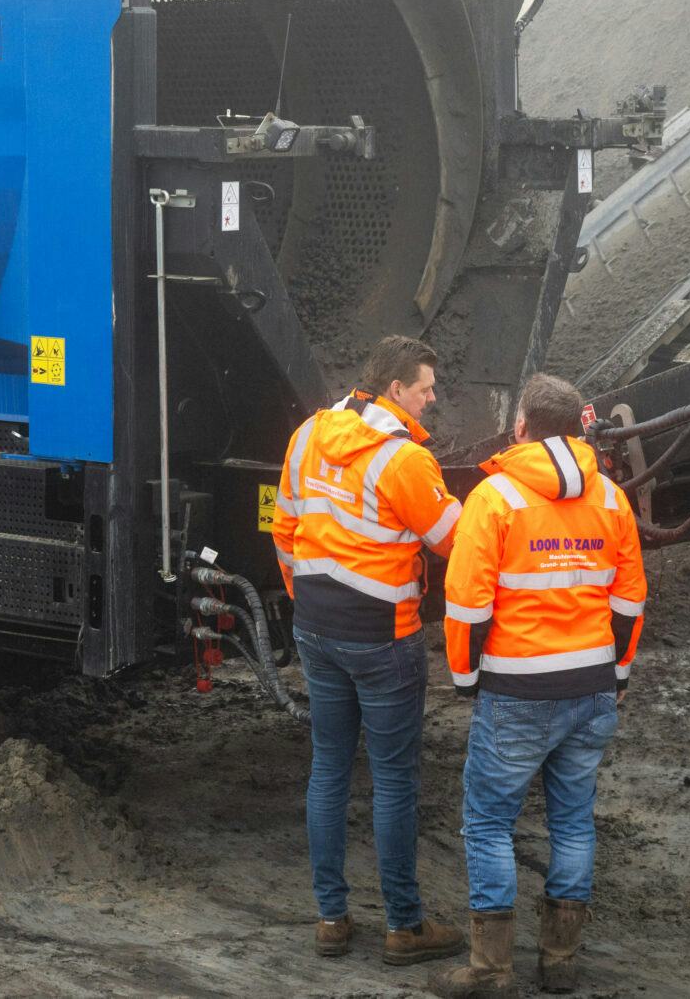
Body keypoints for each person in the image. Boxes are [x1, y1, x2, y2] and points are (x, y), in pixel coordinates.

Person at [437, 374, 645, 998]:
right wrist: (619, 676)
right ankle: (560, 961)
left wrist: (465, 678)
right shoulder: (610, 498)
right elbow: (630, 600)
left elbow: (466, 603)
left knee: (489, 822)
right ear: (580, 428)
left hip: (517, 693)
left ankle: (490, 970)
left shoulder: (493, 499)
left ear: (520, 426)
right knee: (575, 822)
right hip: (591, 688)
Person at [270, 335, 467, 968]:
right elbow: (449, 539)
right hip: (384, 638)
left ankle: (331, 919)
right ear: (395, 390)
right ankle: (404, 928)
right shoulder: (403, 460)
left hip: (317, 631)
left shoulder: (307, 436)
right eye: (426, 387)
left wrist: (306, 601)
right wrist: (486, 498)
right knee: (392, 781)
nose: (433, 397)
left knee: (328, 770)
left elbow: (285, 527)